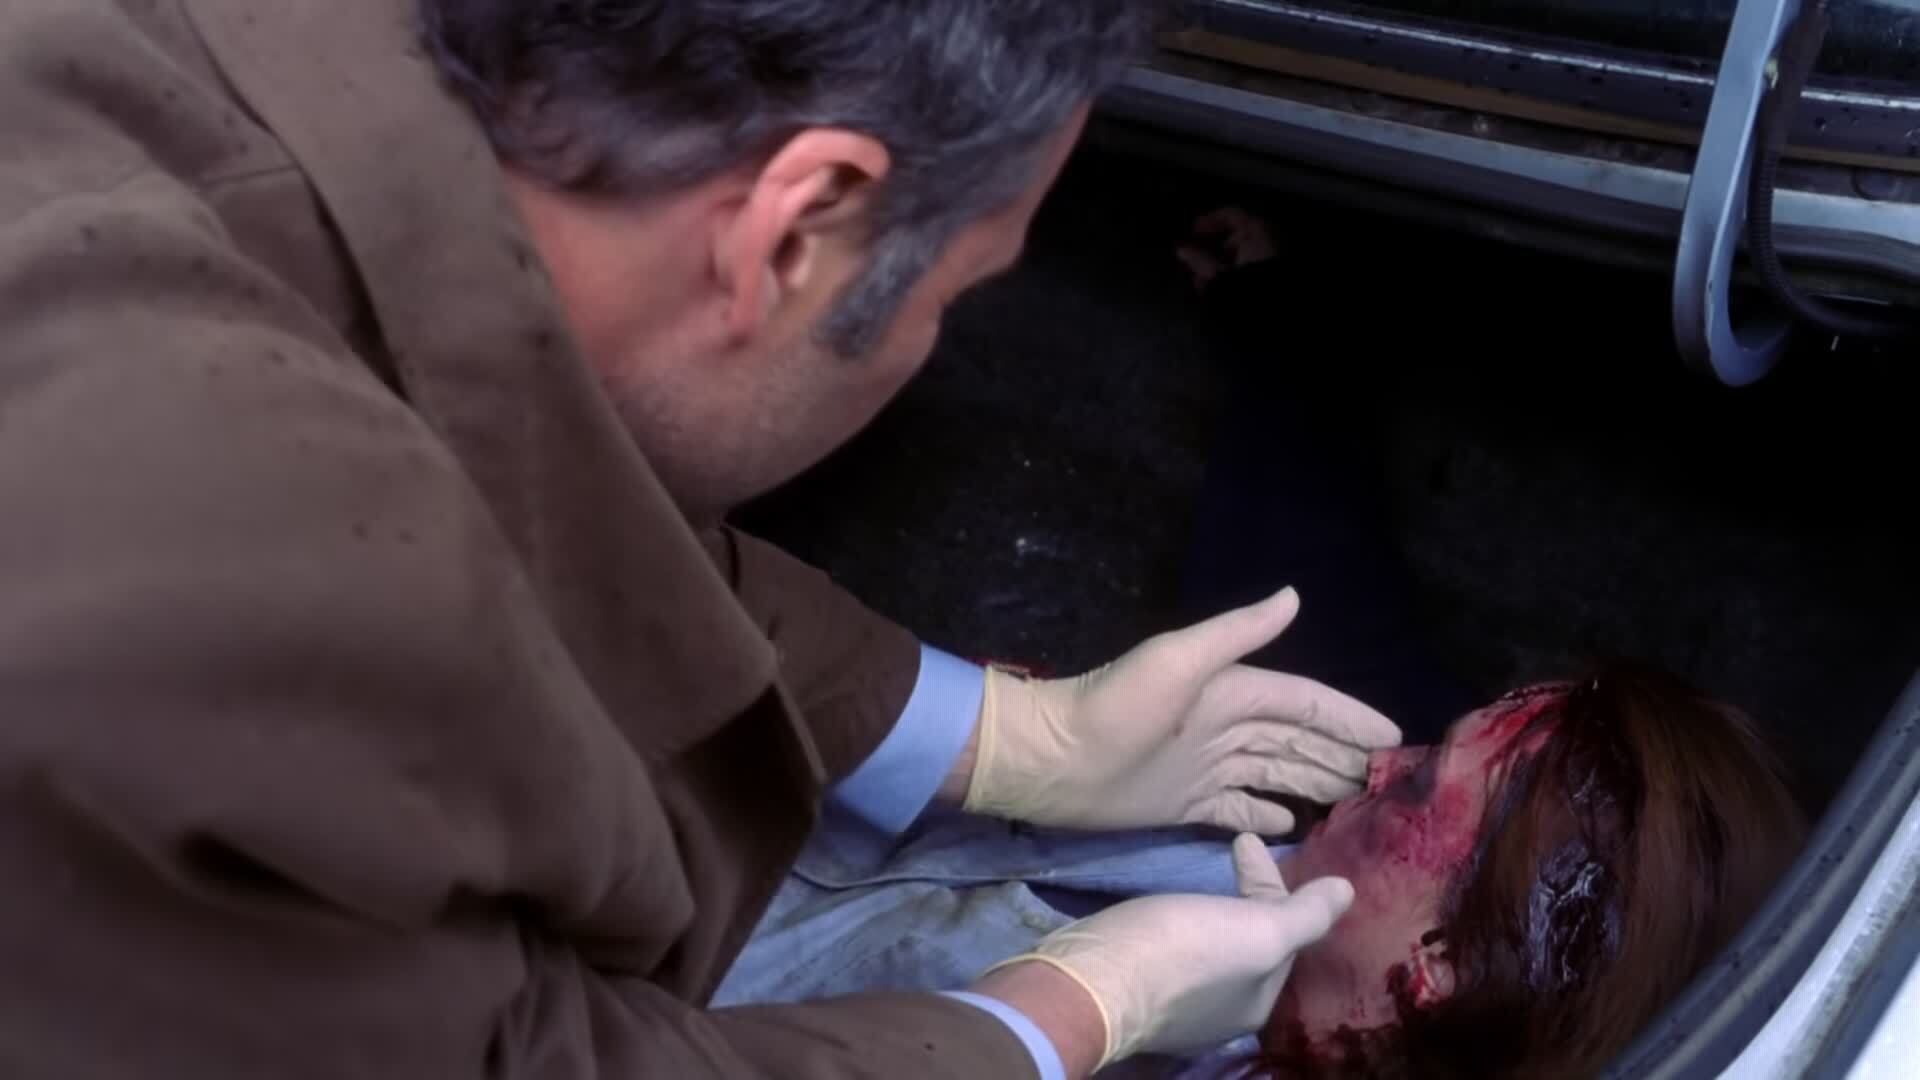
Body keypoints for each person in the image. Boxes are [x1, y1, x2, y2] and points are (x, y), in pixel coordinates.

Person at [0, 3, 1407, 1079]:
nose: (929, 344)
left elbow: (534, 463)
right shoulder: (205, 659)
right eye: (957, 297)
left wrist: (1013, 738)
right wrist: (1069, 1012)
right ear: (796, 230)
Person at [716, 664, 1808, 1079]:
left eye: (1420, 786)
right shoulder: (1273, 833)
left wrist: (1073, 1013)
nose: (1381, 761)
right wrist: (1005, 725)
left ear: (1439, 966)